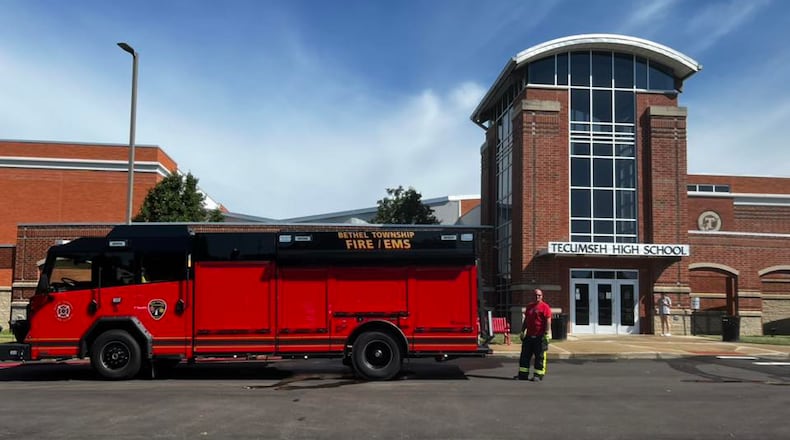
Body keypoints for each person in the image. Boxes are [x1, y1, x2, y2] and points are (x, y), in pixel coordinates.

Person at [515, 289, 552, 381]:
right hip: (529, 336)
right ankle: (523, 375)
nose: (537, 297)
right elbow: (526, 320)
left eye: (539, 295)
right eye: (535, 295)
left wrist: (547, 333)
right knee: (525, 356)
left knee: (539, 357)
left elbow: (548, 321)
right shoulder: (529, 307)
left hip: (540, 336)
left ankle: (538, 375)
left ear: (542, 296)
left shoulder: (545, 307)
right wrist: (523, 331)